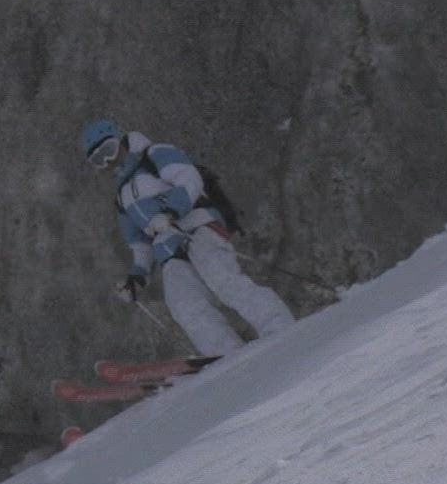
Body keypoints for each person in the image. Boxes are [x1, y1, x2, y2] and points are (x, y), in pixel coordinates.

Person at [79, 118, 294, 357]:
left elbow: (188, 178)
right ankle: (228, 354)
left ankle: (278, 325)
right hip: (168, 252)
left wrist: (171, 211)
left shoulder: (154, 155)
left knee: (222, 280)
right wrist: (137, 278)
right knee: (184, 304)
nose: (108, 162)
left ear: (120, 139)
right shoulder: (122, 198)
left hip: (198, 227)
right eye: (98, 160)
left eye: (108, 150)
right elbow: (139, 244)